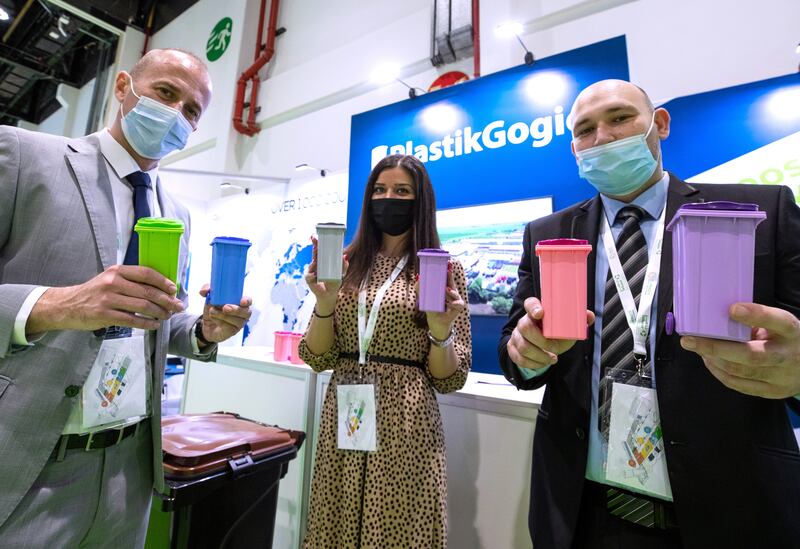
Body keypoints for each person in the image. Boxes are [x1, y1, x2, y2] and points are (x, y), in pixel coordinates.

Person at [498, 79, 800, 548]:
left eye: (620, 118)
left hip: (729, 507)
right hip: (584, 511)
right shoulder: (549, 232)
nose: (603, 137)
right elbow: (516, 354)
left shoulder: (762, 211)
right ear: (574, 149)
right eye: (585, 129)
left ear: (659, 123)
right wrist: (526, 353)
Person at [0, 49, 252, 546]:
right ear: (122, 88)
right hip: (29, 458)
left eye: (192, 110)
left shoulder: (176, 212)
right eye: (165, 92)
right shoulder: (25, 157)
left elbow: (155, 322)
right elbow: (77, 306)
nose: (177, 113)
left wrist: (203, 329)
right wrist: (57, 306)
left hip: (129, 472)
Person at [299, 154, 472, 548]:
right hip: (346, 409)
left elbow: (449, 379)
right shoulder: (345, 262)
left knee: (397, 529)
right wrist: (325, 304)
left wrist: (441, 333)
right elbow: (316, 357)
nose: (388, 198)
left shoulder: (441, 269)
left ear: (420, 200)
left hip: (406, 419)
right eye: (379, 190)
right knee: (335, 520)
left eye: (401, 191)